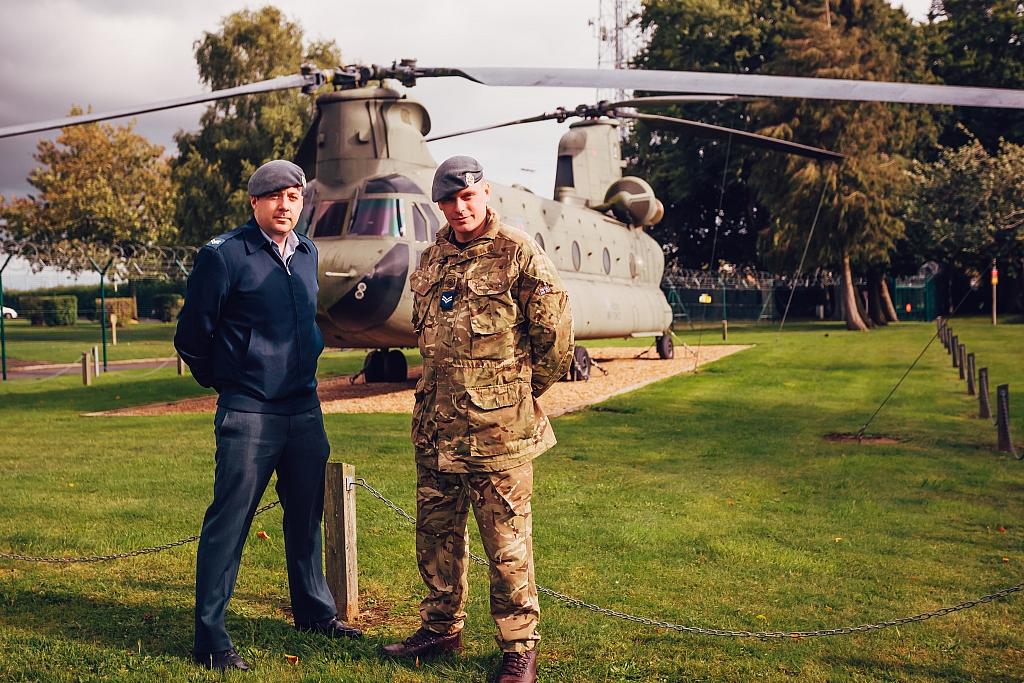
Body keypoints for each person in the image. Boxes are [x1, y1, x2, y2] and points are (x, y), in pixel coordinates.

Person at [383, 156, 574, 683]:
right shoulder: (433, 257)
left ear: (485, 193)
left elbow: (555, 341)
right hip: (437, 430)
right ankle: (442, 629)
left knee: (506, 545)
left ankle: (518, 648)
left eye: (467, 197)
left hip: (499, 435)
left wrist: (515, 394)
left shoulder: (517, 252)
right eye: (448, 200)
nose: (459, 208)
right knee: (437, 538)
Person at [175, 159, 362, 672]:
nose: (285, 205)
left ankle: (315, 613)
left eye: (294, 196)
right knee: (229, 523)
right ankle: (210, 638)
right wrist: (231, 380)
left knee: (306, 519)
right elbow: (192, 336)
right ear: (254, 202)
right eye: (274, 196)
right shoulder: (224, 256)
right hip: (249, 411)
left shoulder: (307, 253)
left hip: (304, 408)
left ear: (302, 203)